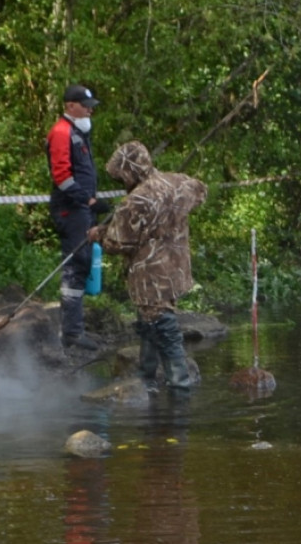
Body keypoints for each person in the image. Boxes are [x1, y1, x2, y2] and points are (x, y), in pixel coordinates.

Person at [90, 142, 207, 390]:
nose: (121, 182)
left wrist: (100, 234)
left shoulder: (135, 201)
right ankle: (146, 377)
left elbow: (117, 243)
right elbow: (201, 193)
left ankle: (180, 386)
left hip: (150, 276)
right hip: (176, 268)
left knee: (163, 327)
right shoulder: (180, 183)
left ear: (129, 171)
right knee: (149, 322)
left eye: (121, 176)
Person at [46, 84, 106, 352]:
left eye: (91, 107)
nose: (90, 111)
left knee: (82, 264)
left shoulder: (77, 132)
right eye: (86, 106)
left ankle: (74, 328)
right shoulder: (61, 132)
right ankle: (71, 333)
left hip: (82, 208)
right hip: (71, 209)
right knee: (74, 265)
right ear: (70, 106)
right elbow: (61, 177)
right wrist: (89, 201)